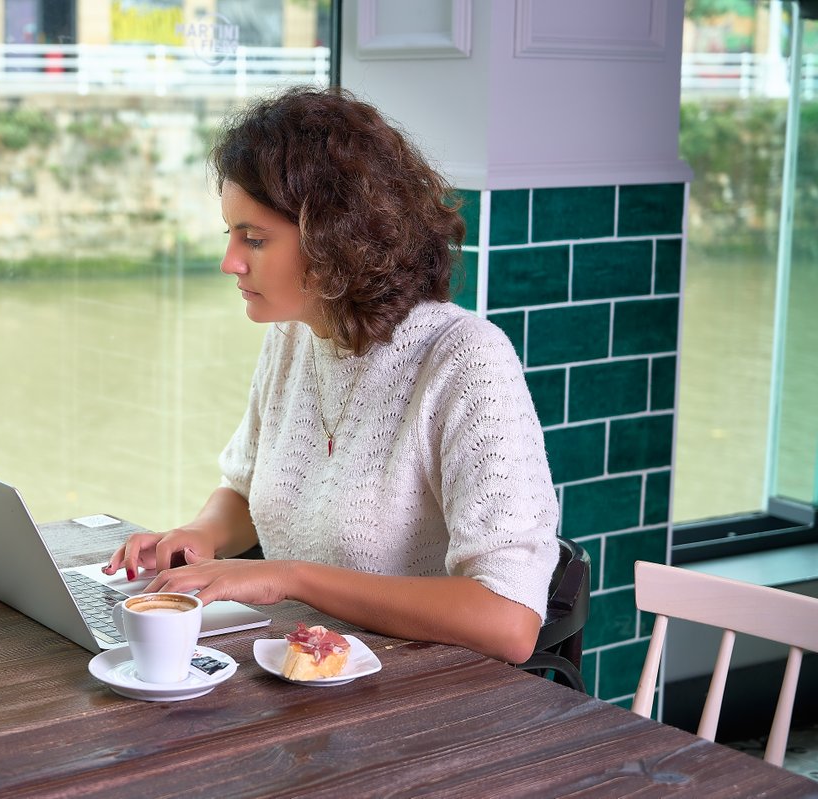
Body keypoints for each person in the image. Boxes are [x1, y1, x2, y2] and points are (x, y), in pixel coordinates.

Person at [103, 87, 560, 664]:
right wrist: (201, 537)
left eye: (256, 239)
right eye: (231, 233)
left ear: (335, 238)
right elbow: (246, 492)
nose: (231, 262)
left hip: (421, 700)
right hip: (305, 671)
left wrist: (289, 578)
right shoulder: (295, 336)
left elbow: (510, 621)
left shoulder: (466, 362)